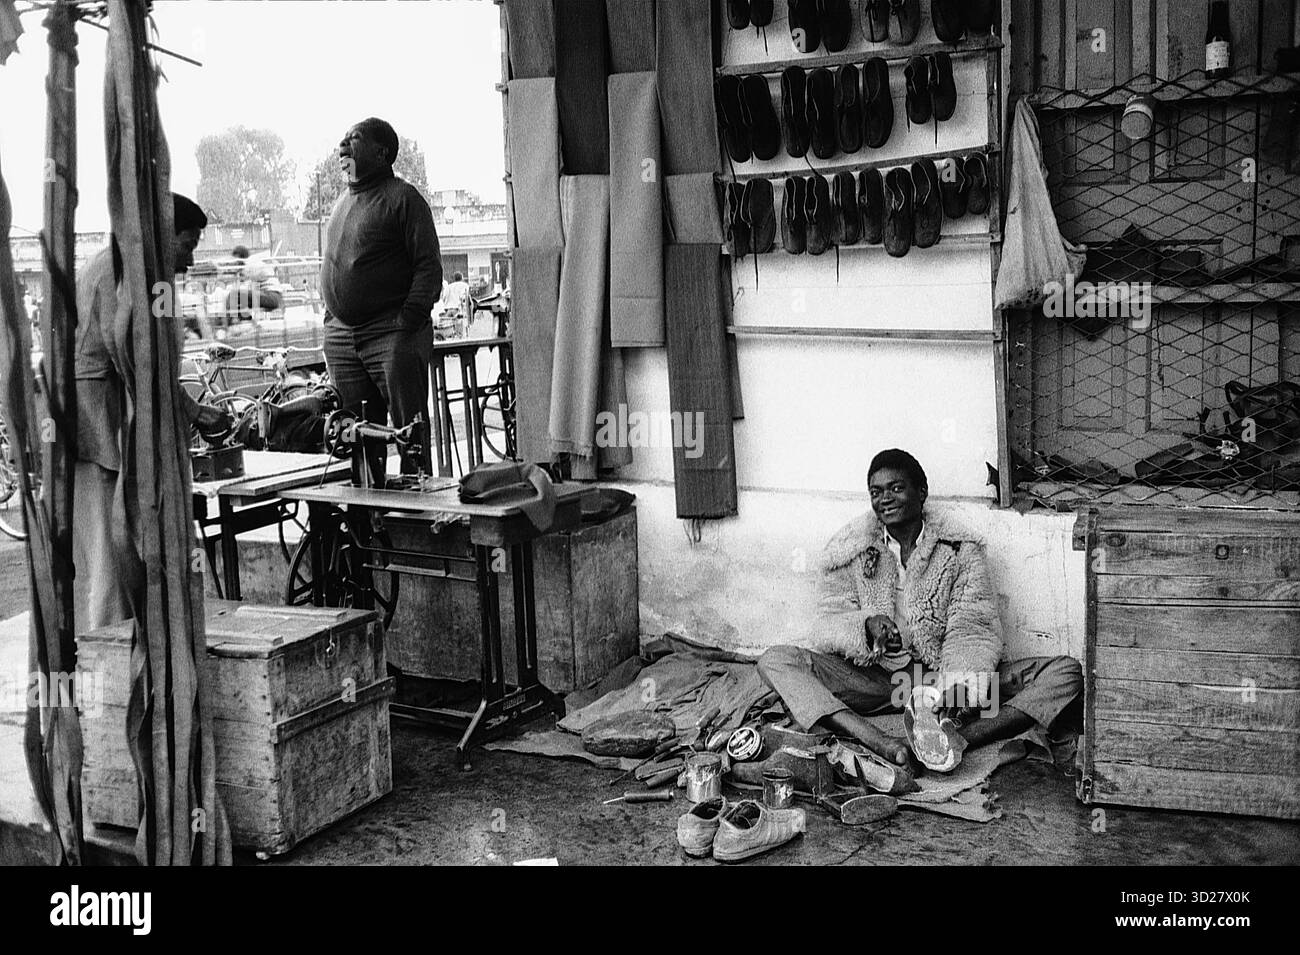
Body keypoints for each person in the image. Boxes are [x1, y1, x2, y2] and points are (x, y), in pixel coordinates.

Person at [758, 449, 1082, 772]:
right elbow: (827, 621)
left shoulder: (959, 550)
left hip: (941, 677)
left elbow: (972, 626)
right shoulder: (852, 548)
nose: (885, 498)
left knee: (1065, 672)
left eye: (897, 488)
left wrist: (961, 683)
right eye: (876, 492)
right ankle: (879, 741)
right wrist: (865, 626)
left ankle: (961, 738)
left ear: (921, 493)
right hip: (880, 682)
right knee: (778, 659)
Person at [73, 193, 231, 631]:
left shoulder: (137, 271)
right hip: (97, 427)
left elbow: (154, 357)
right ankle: (112, 657)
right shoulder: (123, 273)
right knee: (111, 556)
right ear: (165, 234)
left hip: (103, 424)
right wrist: (193, 412)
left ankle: (123, 647)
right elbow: (142, 363)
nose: (192, 257)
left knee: (115, 554)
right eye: (189, 242)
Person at [321, 117, 442, 478]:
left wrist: (408, 320)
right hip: (343, 337)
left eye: (353, 139)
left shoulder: (404, 199)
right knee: (357, 436)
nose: (342, 146)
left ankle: (416, 521)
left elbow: (428, 267)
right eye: (342, 139)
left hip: (391, 334)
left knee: (410, 434)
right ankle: (368, 524)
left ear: (381, 152)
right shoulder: (342, 201)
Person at [224, 244, 283, 320]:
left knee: (234, 295)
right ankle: (245, 322)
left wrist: (229, 270)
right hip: (269, 295)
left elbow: (244, 275)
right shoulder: (250, 265)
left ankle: (229, 323)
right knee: (238, 302)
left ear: (241, 258)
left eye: (236, 261)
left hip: (272, 296)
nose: (235, 263)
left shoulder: (252, 264)